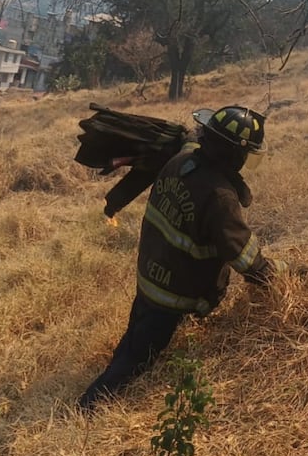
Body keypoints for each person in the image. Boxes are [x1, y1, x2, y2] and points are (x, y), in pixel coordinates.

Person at [78, 105, 284, 411]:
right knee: (138, 359)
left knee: (134, 338)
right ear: (235, 154)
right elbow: (246, 260)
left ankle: (112, 374)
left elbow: (190, 140)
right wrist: (283, 274)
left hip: (151, 275)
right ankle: (89, 407)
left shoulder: (182, 160)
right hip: (173, 295)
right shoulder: (220, 197)